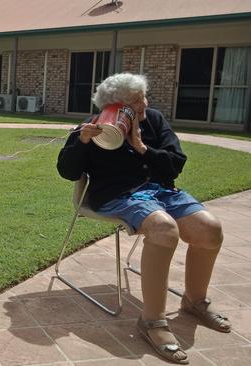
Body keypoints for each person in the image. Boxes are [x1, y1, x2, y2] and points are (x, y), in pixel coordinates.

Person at [57, 73, 230, 364]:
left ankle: (194, 301)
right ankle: (152, 321)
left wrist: (142, 147)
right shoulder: (93, 126)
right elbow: (68, 172)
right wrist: (82, 142)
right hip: (119, 195)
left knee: (209, 229)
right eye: (134, 101)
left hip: (161, 190)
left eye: (142, 97)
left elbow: (175, 165)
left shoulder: (154, 120)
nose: (143, 104)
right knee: (163, 229)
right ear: (114, 108)